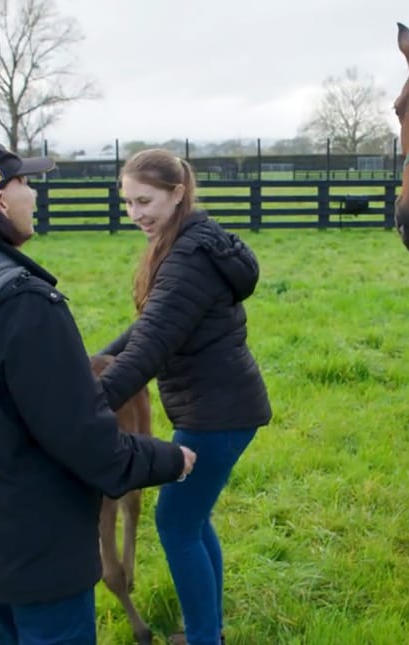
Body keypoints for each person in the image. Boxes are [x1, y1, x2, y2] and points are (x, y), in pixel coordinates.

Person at [0, 135, 196, 645]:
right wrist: (167, 460)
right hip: (41, 551)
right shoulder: (23, 303)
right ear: (1, 201)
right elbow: (85, 439)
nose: (34, 195)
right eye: (25, 182)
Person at [95, 149, 272, 645]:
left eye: (145, 200)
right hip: (219, 406)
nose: (136, 214)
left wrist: (89, 403)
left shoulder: (188, 257)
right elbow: (148, 328)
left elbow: (151, 345)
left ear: (178, 194)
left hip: (217, 413)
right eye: (128, 202)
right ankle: (207, 630)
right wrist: (95, 364)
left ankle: (202, 639)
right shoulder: (185, 243)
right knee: (192, 518)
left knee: (175, 522)